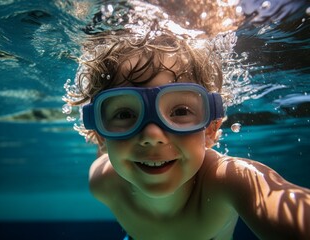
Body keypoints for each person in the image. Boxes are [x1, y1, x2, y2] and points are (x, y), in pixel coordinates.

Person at [65, 29, 310, 239]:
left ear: (211, 129)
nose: (152, 134)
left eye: (181, 111)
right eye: (124, 114)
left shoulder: (227, 180)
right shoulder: (103, 182)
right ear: (99, 135)